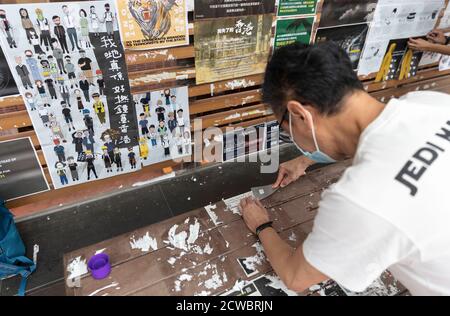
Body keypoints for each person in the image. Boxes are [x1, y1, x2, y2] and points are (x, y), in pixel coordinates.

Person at [238, 42, 450, 296]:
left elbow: (296, 277)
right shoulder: (429, 103)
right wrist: (307, 159)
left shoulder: (359, 199)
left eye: (286, 127)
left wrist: (262, 226)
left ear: (299, 114)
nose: (290, 134)